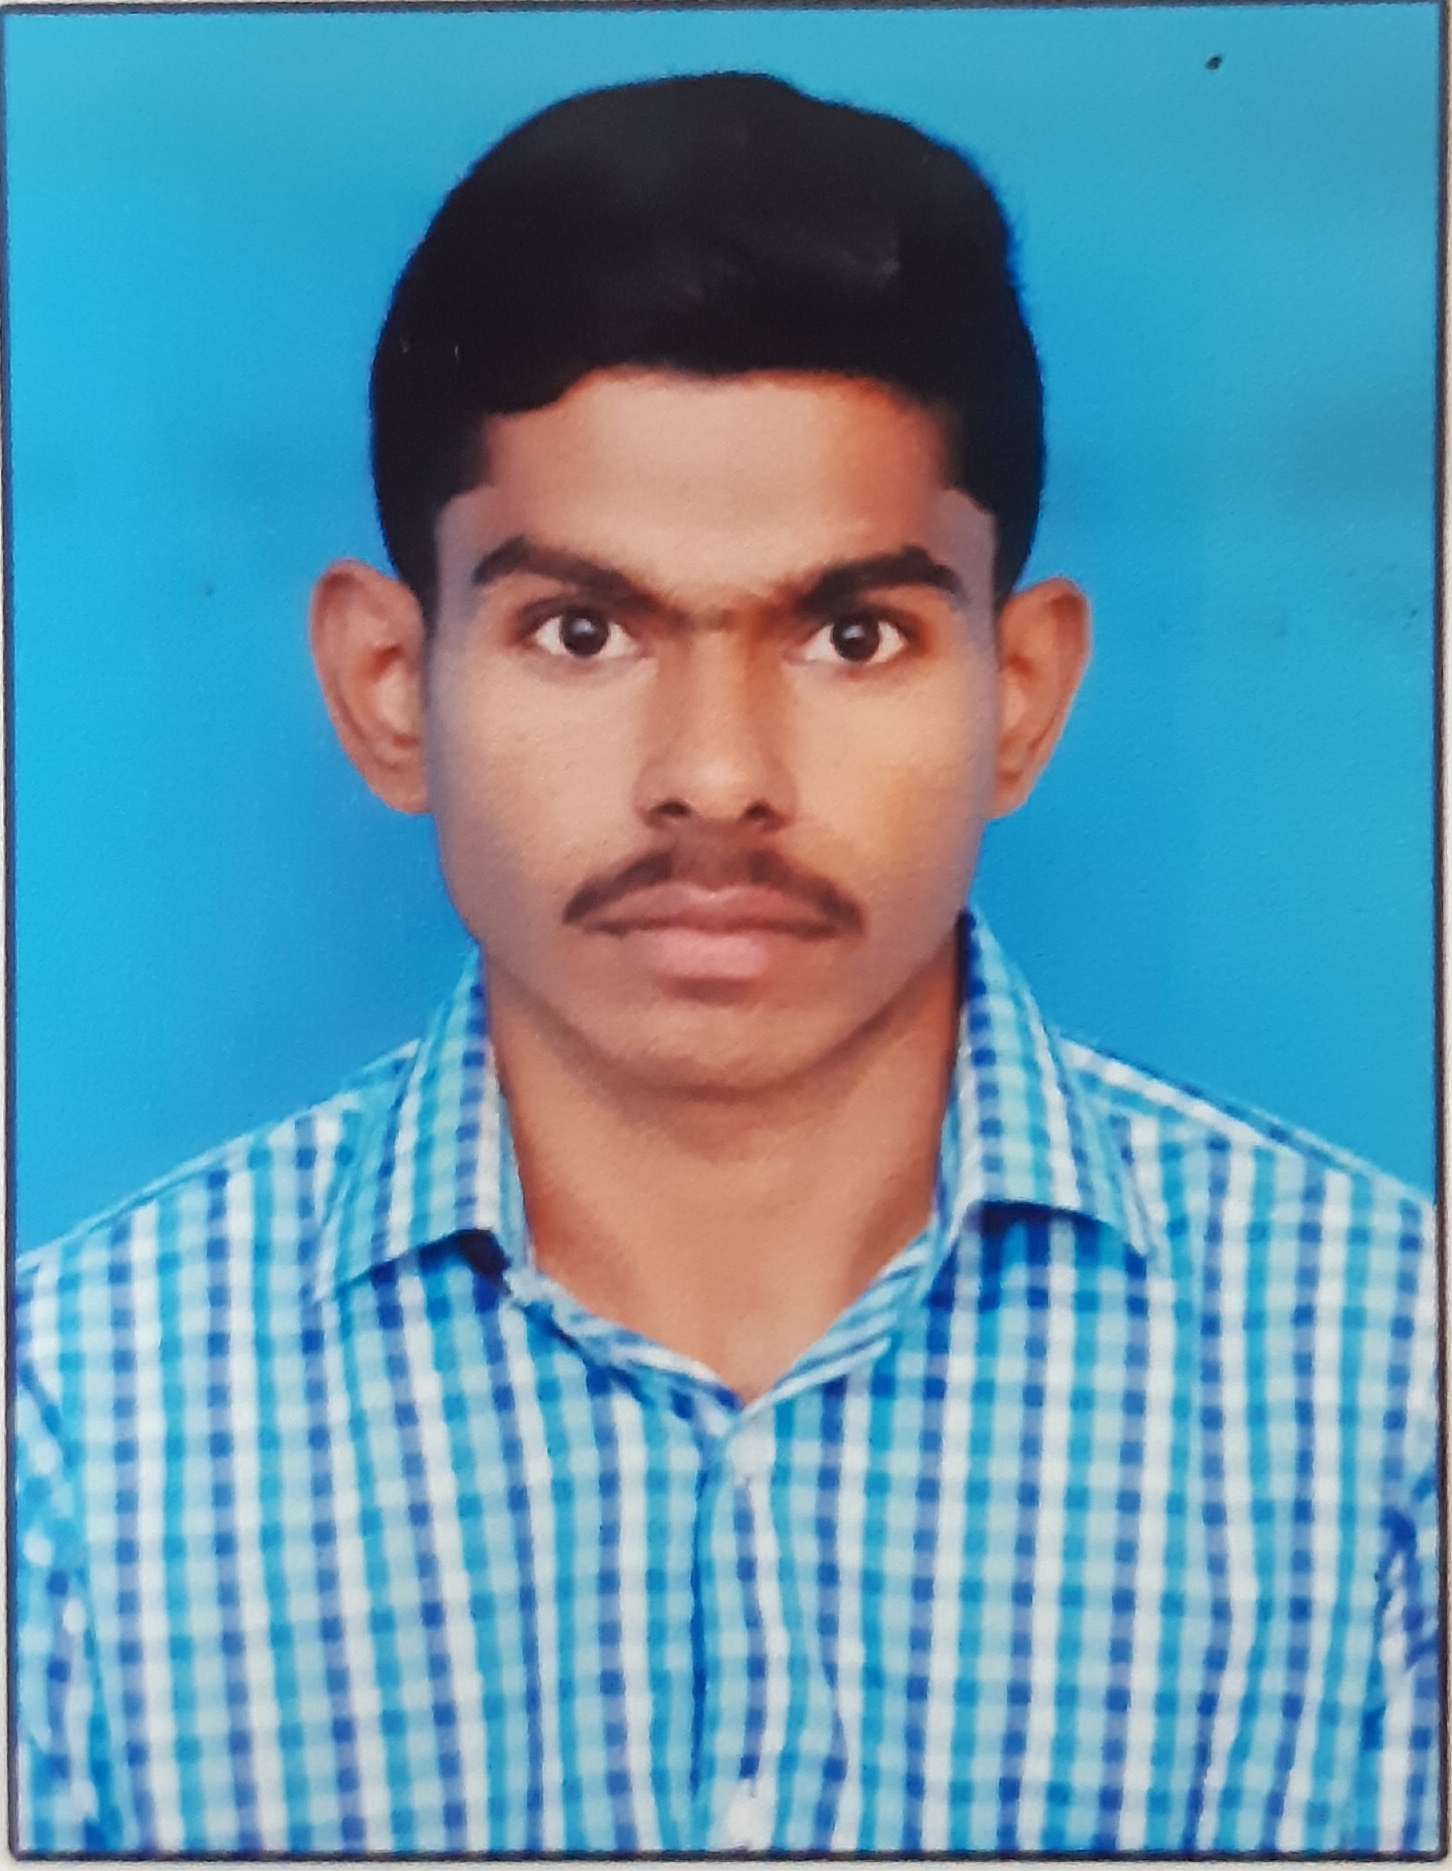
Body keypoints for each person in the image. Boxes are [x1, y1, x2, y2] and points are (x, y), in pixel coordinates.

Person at [13, 72, 1438, 1856]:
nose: (715, 774)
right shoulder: (72, 1437)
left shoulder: (1394, 1389)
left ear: (1021, 696)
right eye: (580, 629)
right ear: (389, 688)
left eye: (852, 634)